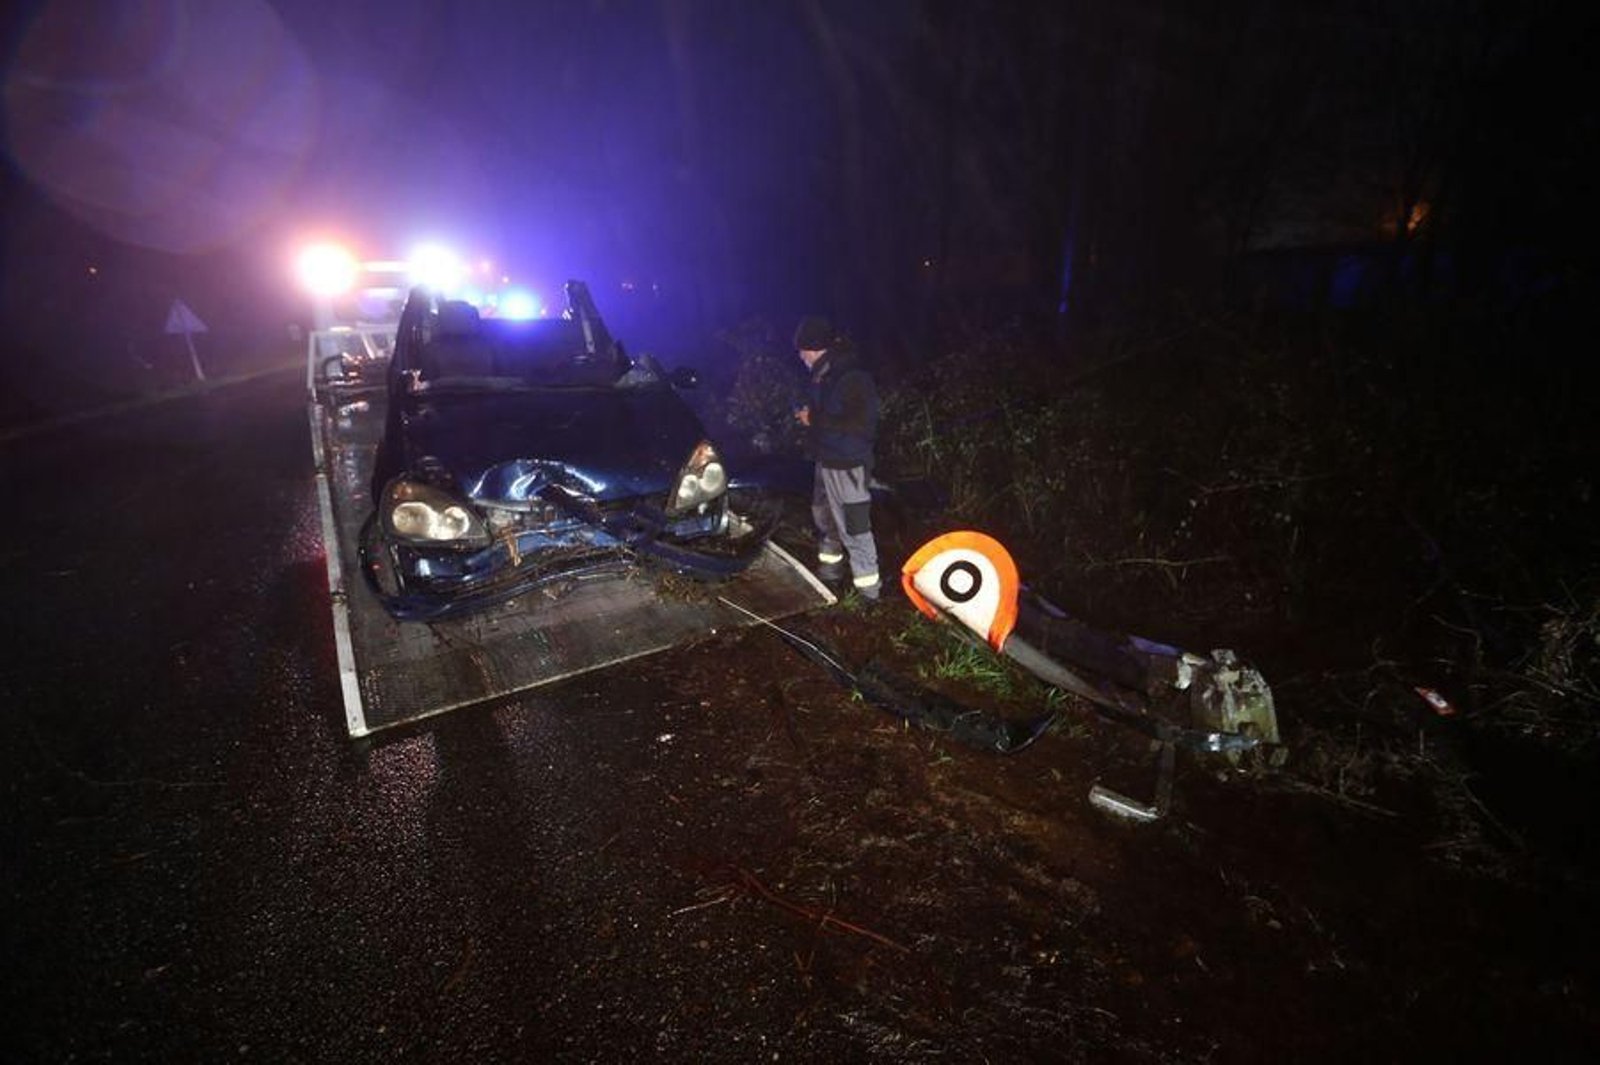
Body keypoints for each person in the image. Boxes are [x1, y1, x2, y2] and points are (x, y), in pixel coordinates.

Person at [793, 316, 881, 600]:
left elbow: (859, 422)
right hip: (826, 462)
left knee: (856, 528)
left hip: (848, 467)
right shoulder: (825, 374)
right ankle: (830, 575)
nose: (800, 356)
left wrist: (815, 418)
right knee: (826, 521)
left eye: (802, 350)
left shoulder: (852, 376)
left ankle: (869, 594)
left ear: (814, 348)